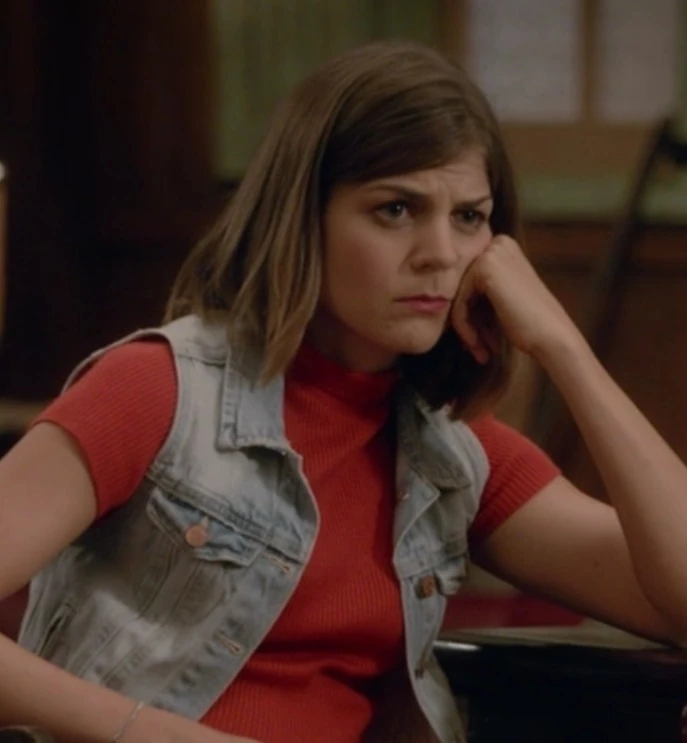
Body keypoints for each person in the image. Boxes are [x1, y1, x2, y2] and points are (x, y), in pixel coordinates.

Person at [1, 40, 687, 743]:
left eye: (468, 217)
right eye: (396, 209)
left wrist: (564, 348)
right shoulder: (157, 389)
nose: (440, 254)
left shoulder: (453, 454)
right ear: (304, 217)